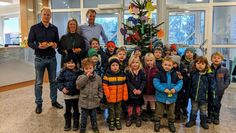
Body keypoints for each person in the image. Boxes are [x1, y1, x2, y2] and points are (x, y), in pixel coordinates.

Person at [28, 7, 63, 114]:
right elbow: (30, 43)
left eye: (48, 14)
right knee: (38, 83)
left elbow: (57, 43)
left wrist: (55, 45)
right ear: (41, 15)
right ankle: (39, 103)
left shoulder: (54, 28)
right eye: (44, 14)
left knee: (53, 81)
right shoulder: (34, 28)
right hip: (39, 59)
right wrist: (38, 47)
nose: (46, 16)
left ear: (50, 16)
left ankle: (54, 101)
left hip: (52, 58)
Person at [185, 56, 216, 129]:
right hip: (194, 96)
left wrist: (213, 96)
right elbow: (190, 84)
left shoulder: (209, 75)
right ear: (195, 64)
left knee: (203, 110)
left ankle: (203, 122)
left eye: (202, 63)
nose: (200, 65)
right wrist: (189, 93)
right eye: (198, 63)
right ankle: (192, 120)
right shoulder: (193, 73)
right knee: (194, 109)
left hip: (204, 97)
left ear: (206, 65)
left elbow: (213, 86)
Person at [153, 57, 183, 132]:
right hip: (161, 96)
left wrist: (175, 89)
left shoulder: (176, 74)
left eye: (169, 65)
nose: (167, 66)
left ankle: (171, 123)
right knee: (159, 111)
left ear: (173, 66)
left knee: (171, 112)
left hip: (172, 97)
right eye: (165, 64)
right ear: (162, 65)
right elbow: (156, 83)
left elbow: (180, 83)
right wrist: (163, 89)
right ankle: (157, 122)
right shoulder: (159, 73)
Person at [57, 50, 82, 131]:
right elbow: (59, 82)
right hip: (67, 95)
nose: (71, 64)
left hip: (76, 94)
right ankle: (67, 121)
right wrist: (62, 88)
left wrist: (80, 87)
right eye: (68, 63)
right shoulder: (62, 72)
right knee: (67, 109)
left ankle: (76, 121)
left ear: (76, 63)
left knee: (76, 109)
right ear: (65, 64)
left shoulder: (79, 72)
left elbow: (82, 81)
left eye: (72, 63)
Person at [76, 58, 103, 133]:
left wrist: (100, 96)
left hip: (94, 101)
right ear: (83, 69)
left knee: (94, 117)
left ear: (93, 68)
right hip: (84, 102)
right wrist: (86, 77)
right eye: (86, 68)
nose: (88, 70)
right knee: (84, 117)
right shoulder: (81, 77)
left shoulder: (98, 78)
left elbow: (100, 88)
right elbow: (78, 85)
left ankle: (95, 127)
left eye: (90, 68)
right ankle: (82, 128)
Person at [103, 56, 128, 131]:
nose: (115, 67)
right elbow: (105, 85)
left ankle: (117, 121)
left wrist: (125, 95)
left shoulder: (122, 74)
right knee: (111, 110)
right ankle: (111, 121)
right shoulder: (107, 75)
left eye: (116, 65)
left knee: (118, 110)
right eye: (113, 65)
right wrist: (107, 94)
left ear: (119, 66)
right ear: (110, 66)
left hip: (119, 97)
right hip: (110, 97)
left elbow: (124, 86)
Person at [207, 52, 230, 124]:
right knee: (210, 103)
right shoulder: (208, 69)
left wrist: (223, 87)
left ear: (221, 60)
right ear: (211, 59)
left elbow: (227, 79)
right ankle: (209, 116)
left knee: (217, 104)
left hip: (219, 91)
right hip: (210, 90)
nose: (216, 59)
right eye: (214, 58)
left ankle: (216, 117)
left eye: (218, 58)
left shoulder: (224, 69)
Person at [125, 56, 146, 127]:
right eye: (133, 62)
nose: (135, 64)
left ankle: (138, 117)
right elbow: (128, 82)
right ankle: (129, 117)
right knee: (130, 106)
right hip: (131, 93)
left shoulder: (142, 71)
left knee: (138, 106)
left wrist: (140, 89)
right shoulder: (128, 71)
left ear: (139, 63)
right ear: (130, 63)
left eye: (137, 62)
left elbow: (144, 81)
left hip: (139, 93)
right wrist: (133, 89)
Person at [179, 47, 197, 118]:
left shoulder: (196, 61)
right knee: (184, 95)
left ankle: (192, 109)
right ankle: (183, 107)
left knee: (191, 95)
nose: (189, 54)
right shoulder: (182, 62)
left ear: (193, 54)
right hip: (184, 81)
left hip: (193, 81)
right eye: (187, 52)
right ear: (185, 53)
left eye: (191, 52)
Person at [142, 53, 158, 121]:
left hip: (153, 90)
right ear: (145, 61)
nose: (149, 62)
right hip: (145, 89)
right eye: (147, 60)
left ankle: (153, 113)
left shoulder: (156, 70)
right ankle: (144, 113)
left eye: (151, 60)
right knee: (145, 102)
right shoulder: (143, 69)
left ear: (154, 60)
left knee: (152, 102)